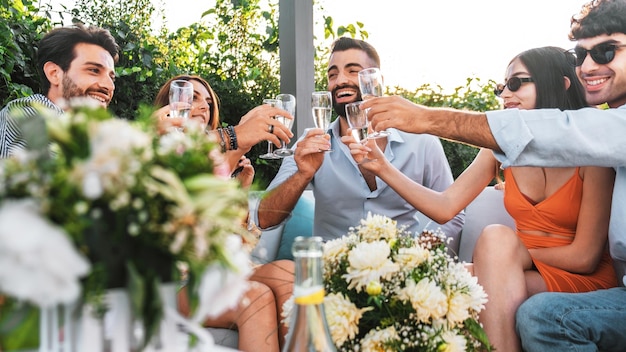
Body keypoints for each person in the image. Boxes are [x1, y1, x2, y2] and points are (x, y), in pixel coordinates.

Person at [361, 0, 626, 350]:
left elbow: (584, 256)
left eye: (606, 51)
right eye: (581, 56)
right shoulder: (505, 152)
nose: (504, 94)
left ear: (557, 84)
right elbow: (445, 206)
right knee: (450, 272)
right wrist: (381, 167)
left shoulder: (596, 144)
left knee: (484, 270)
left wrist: (498, 259)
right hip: (530, 268)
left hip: (581, 275)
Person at [250, 37, 464, 249]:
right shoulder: (310, 144)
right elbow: (265, 219)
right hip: (332, 276)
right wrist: (302, 175)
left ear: (376, 81)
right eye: (333, 74)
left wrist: (416, 255)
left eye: (352, 71)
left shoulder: (422, 141)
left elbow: (453, 215)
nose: (340, 80)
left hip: (402, 275)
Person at [154, 75, 294, 351]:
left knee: (288, 274)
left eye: (207, 101)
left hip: (221, 273)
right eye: (192, 97)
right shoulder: (157, 153)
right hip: (176, 282)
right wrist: (240, 138)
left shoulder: (218, 168)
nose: (203, 106)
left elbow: (239, 244)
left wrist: (238, 192)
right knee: (255, 298)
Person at [0, 24, 119, 158]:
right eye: (94, 70)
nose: (109, 85)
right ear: (54, 73)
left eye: (111, 77)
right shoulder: (27, 113)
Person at [153, 75, 294, 183]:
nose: (205, 107)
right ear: (169, 104)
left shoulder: (213, 160)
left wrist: (240, 185)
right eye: (193, 98)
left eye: (209, 103)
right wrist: (234, 135)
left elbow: (230, 218)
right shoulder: (152, 148)